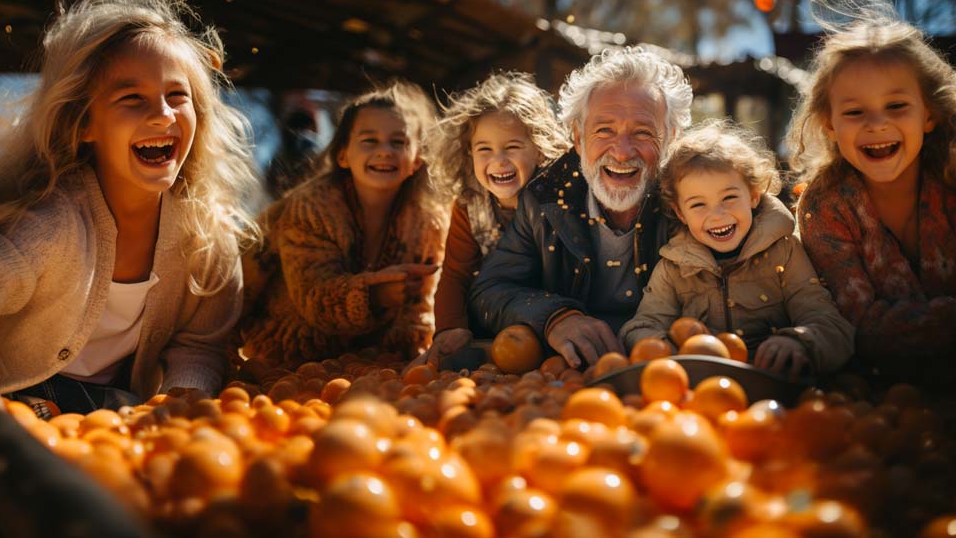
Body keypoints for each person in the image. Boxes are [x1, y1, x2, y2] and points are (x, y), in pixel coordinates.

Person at [0, 0, 260, 413]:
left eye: (178, 96)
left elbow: (199, 345)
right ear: (85, 124)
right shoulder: (49, 227)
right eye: (131, 98)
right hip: (3, 402)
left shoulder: (207, 240)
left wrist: (182, 406)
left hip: (113, 412)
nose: (163, 114)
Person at [469, 47, 694, 369]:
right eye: (604, 130)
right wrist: (555, 316)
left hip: (667, 370)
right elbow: (489, 291)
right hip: (566, 371)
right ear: (578, 138)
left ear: (670, 138)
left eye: (643, 132)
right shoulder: (544, 200)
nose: (621, 151)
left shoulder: (694, 200)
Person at [788, 0, 956, 384]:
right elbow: (858, 324)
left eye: (896, 106)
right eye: (855, 111)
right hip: (873, 391)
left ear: (929, 115)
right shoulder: (824, 207)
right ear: (830, 125)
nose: (876, 123)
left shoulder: (951, 181)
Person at [237, 81, 448, 370]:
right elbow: (314, 294)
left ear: (416, 161)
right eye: (369, 141)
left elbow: (419, 305)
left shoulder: (427, 221)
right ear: (343, 155)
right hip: (289, 351)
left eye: (398, 142)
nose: (385, 151)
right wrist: (374, 296)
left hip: (366, 360)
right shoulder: (313, 208)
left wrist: (412, 351)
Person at [620, 120, 854, 379]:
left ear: (753, 196)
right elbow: (642, 326)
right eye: (698, 205)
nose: (717, 215)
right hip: (700, 387)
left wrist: (799, 342)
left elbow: (828, 323)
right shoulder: (674, 267)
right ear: (680, 213)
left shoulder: (784, 252)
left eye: (729, 198)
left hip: (772, 381)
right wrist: (668, 349)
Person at [411, 72, 570, 368]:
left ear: (539, 148)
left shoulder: (558, 201)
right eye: (485, 149)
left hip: (556, 322)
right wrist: (450, 328)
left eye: (512, 147)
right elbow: (456, 275)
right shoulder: (470, 205)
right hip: (494, 328)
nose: (499, 160)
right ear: (468, 152)